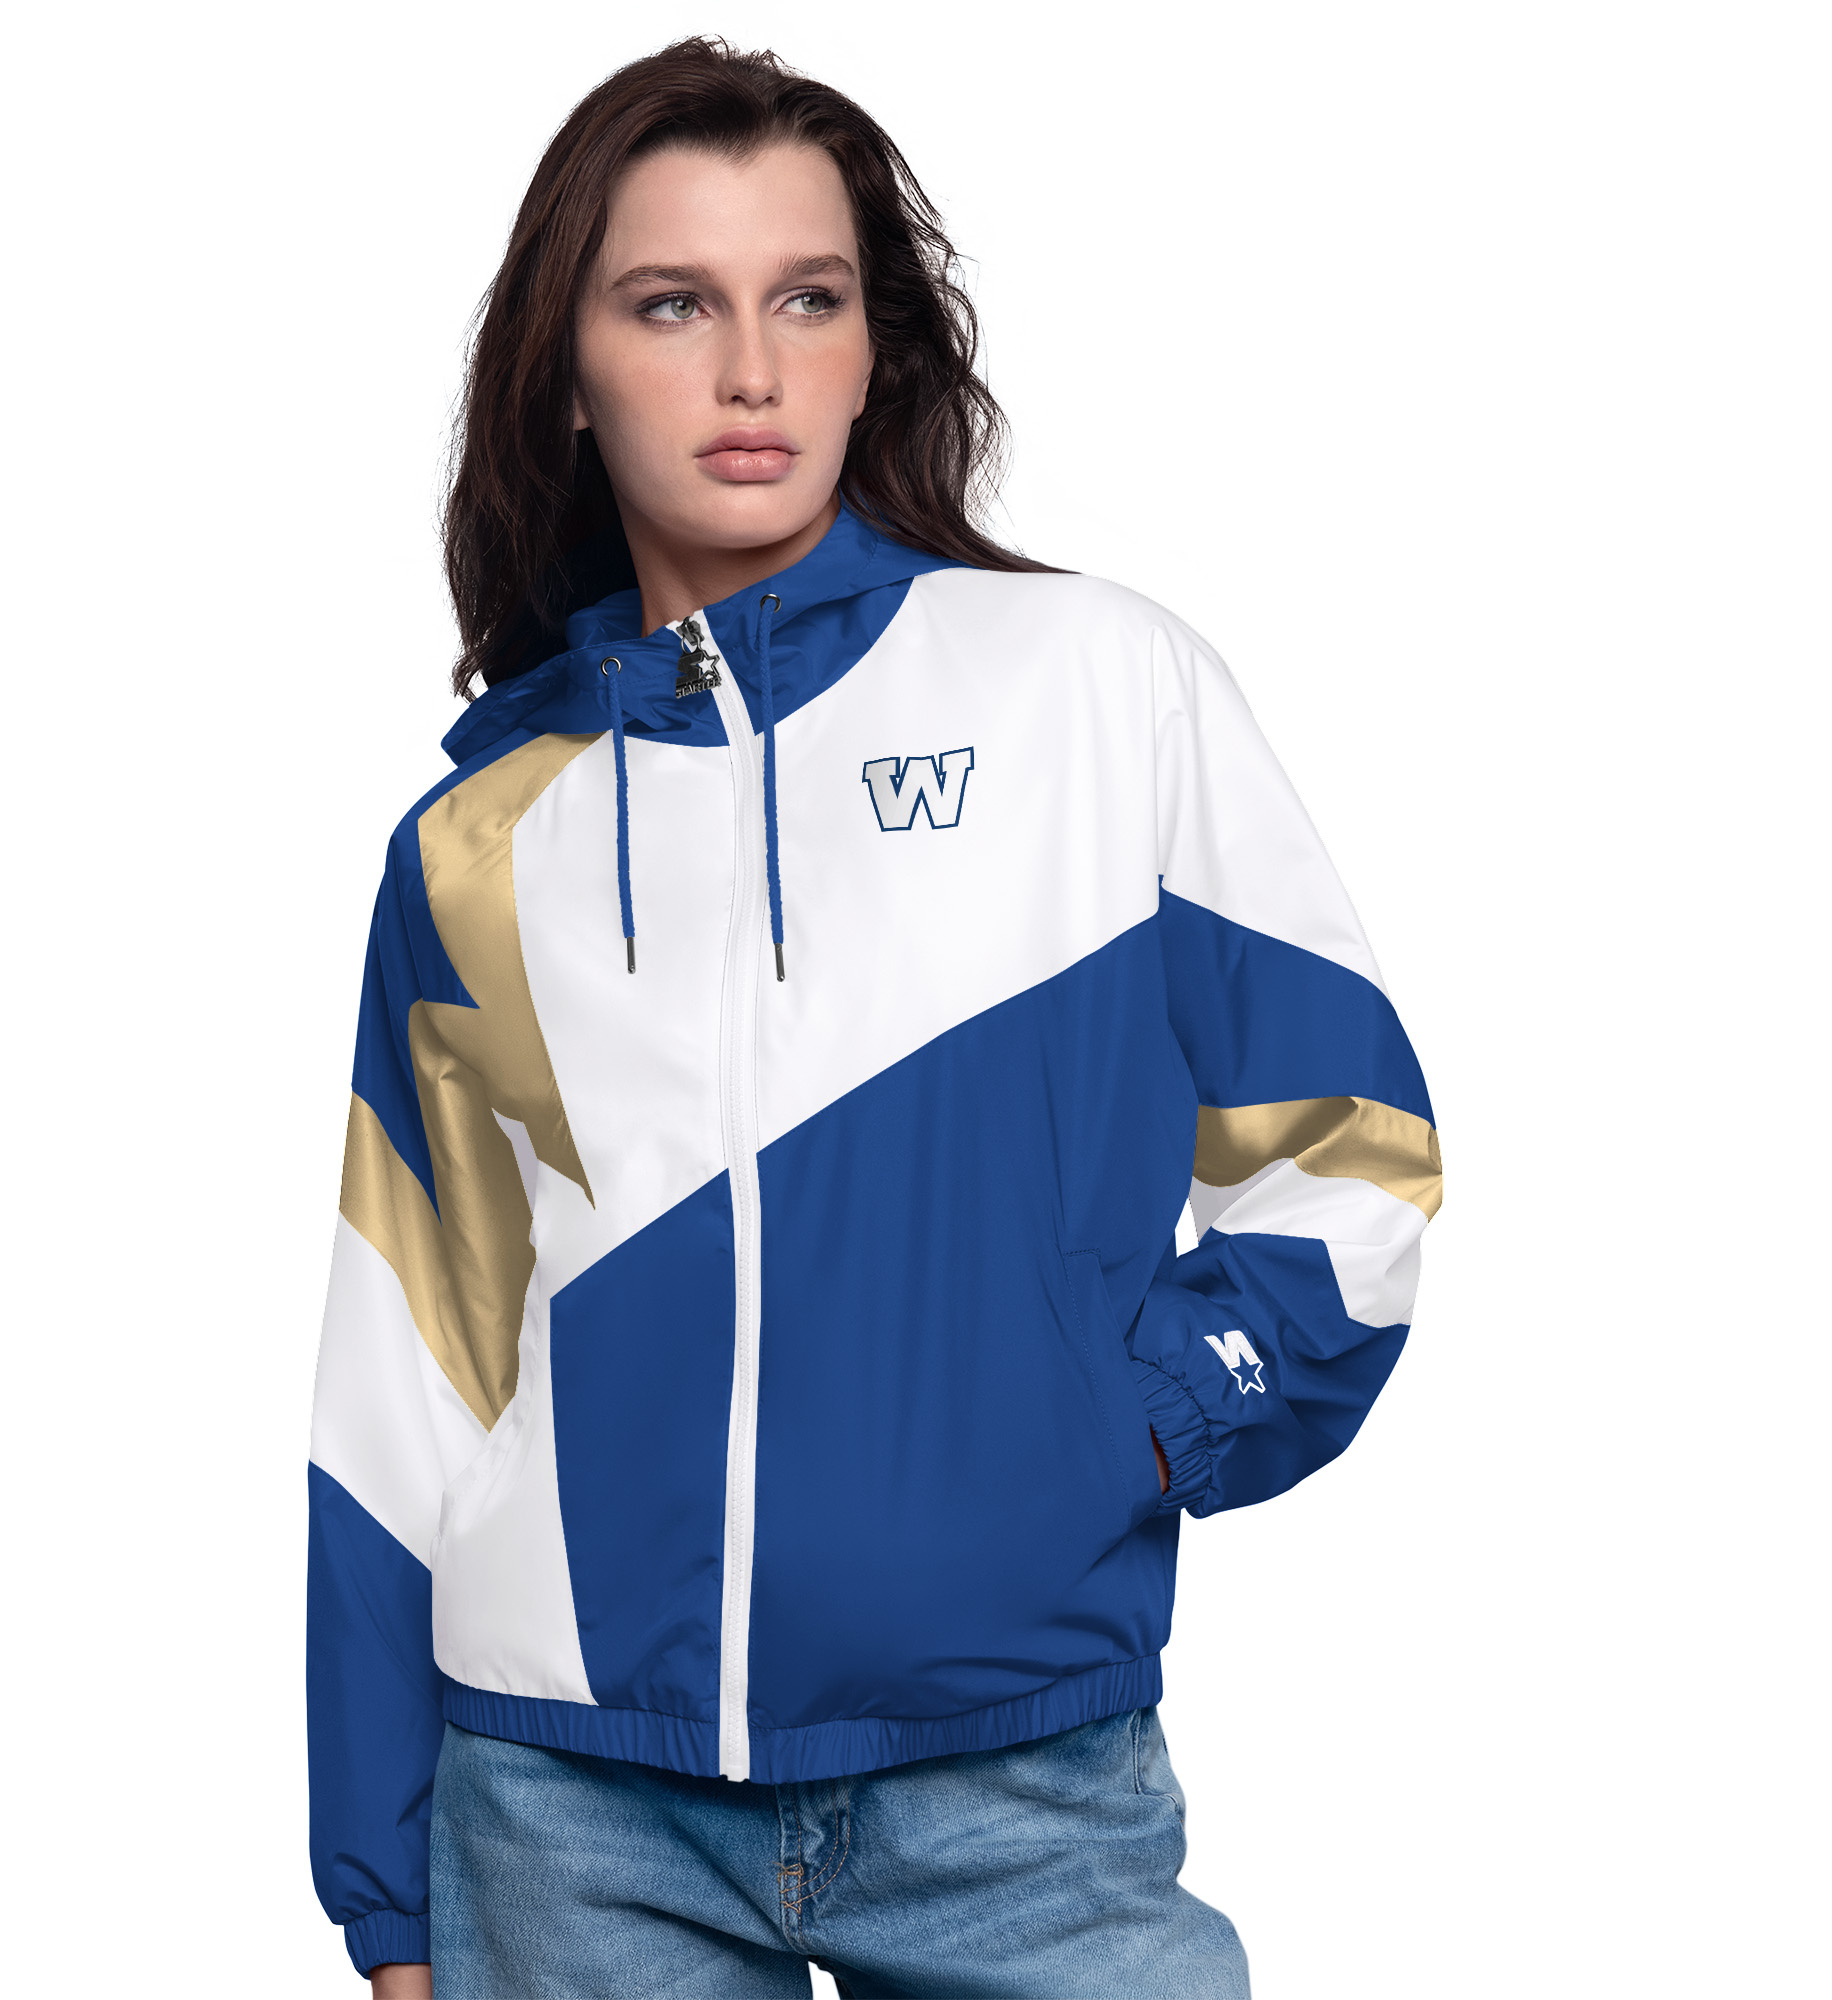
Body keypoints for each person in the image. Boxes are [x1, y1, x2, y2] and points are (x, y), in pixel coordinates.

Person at [306, 36, 1440, 1999]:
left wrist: (1136, 1425)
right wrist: (383, 1883)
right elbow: (401, 1373)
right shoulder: (479, 842)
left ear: (871, 353)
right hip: (567, 1815)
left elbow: (1353, 1152)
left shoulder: (1095, 688)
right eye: (673, 304)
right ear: (566, 370)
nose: (750, 369)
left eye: (807, 300)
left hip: (1020, 1790)